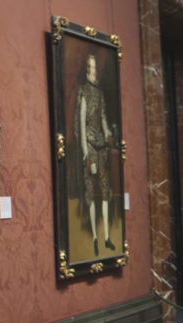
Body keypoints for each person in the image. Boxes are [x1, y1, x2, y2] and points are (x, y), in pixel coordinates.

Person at [74, 54, 117, 256]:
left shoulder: (99, 94)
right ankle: (94, 239)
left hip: (101, 145)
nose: (93, 71)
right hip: (90, 146)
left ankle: (107, 237)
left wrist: (108, 133)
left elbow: (103, 118)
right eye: (90, 67)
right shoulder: (83, 93)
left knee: (106, 191)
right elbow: (82, 128)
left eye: (95, 67)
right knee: (91, 192)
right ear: (86, 69)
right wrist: (87, 155)